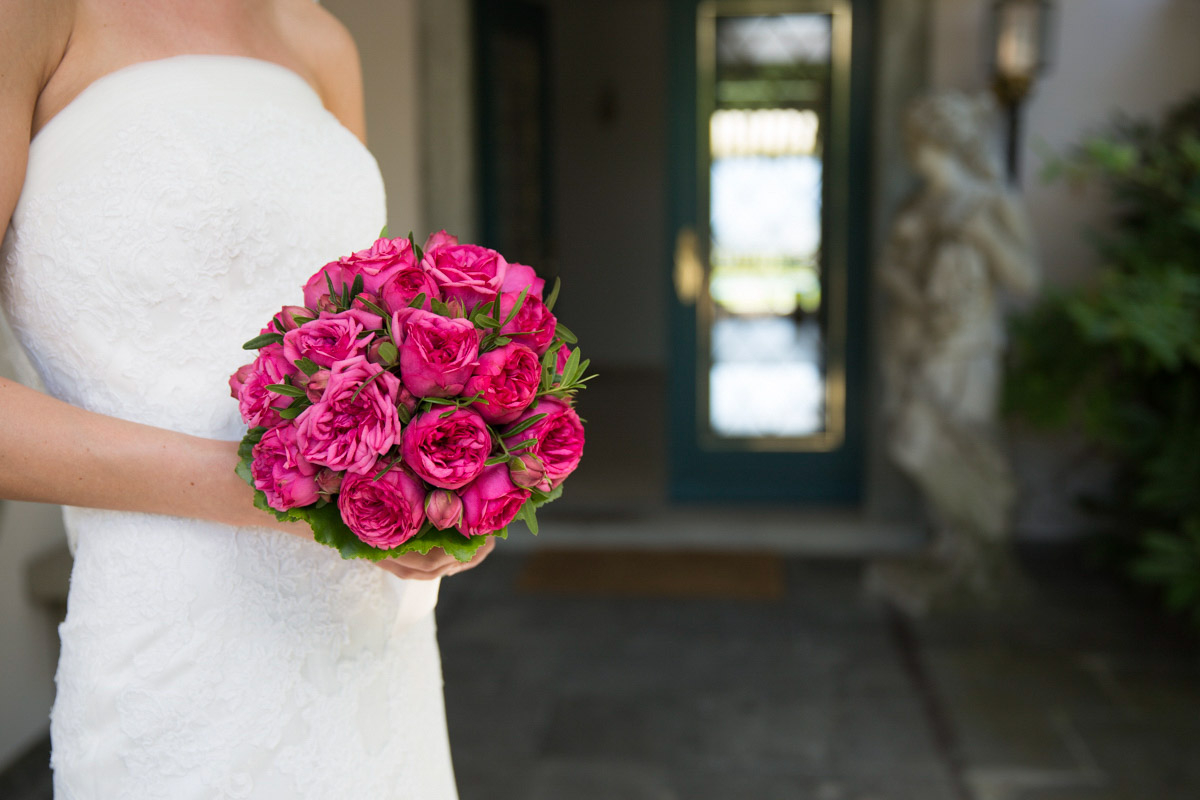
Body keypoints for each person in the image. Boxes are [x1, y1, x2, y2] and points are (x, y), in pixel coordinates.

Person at [1, 1, 489, 796]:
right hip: (175, 651)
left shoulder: (318, 37)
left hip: (367, 635)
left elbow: (364, 330)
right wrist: (286, 490)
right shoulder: (36, 17)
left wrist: (434, 487)